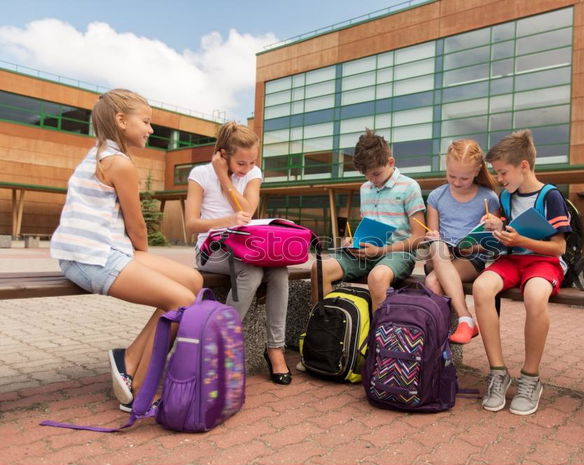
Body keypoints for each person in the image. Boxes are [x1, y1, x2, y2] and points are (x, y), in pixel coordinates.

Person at [50, 89, 203, 412]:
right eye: (146, 122)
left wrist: (141, 258)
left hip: (101, 249)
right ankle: (139, 387)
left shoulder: (102, 153)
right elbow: (137, 227)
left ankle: (129, 356)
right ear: (121, 121)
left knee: (193, 281)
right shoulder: (119, 164)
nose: (150, 129)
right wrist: (144, 258)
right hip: (89, 257)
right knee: (181, 300)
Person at [472, 129, 571, 416]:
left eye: (503, 173)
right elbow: (507, 233)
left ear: (523, 166)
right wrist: (495, 226)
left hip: (543, 261)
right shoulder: (506, 196)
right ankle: (498, 372)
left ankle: (530, 378)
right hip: (512, 260)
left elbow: (559, 248)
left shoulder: (550, 196)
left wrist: (521, 241)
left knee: (535, 296)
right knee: (481, 288)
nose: (500, 180)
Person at [185, 122, 292, 385]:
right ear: (223, 154)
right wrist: (226, 216)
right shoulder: (200, 174)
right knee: (252, 271)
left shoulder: (253, 173)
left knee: (279, 269)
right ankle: (218, 342)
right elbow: (191, 224)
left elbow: (247, 212)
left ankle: (274, 348)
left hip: (246, 247)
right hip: (212, 249)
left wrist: (228, 179)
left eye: (251, 162)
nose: (246, 169)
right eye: (240, 164)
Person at [310, 129, 427, 312]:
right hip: (365, 253)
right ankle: (324, 330)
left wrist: (381, 250)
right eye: (366, 175)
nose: (372, 180)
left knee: (377, 278)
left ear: (391, 162)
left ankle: (376, 339)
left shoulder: (409, 187)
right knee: (319, 269)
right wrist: (354, 241)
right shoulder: (366, 188)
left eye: (376, 174)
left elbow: (419, 237)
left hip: (397, 254)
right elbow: (368, 226)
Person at [423, 139, 499, 344]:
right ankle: (466, 317)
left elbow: (492, 242)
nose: (456, 182)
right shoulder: (437, 196)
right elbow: (432, 235)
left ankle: (436, 342)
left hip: (470, 258)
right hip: (440, 255)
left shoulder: (489, 198)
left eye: (464, 178)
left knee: (432, 281)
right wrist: (432, 237)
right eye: (451, 175)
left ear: (477, 171)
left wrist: (472, 246)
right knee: (438, 245)